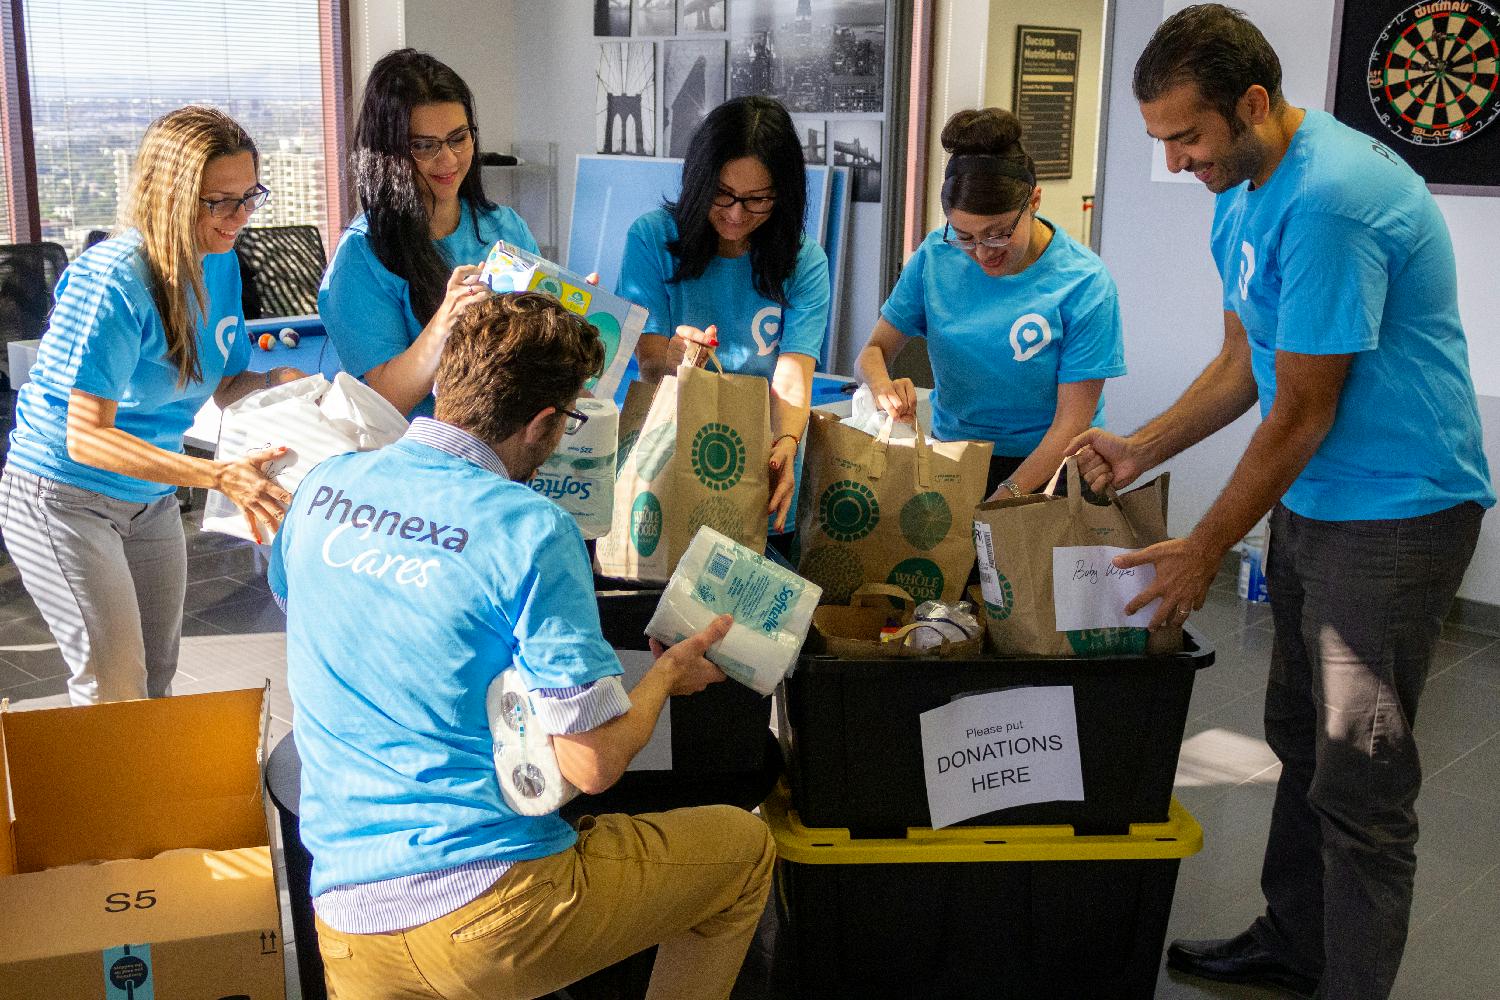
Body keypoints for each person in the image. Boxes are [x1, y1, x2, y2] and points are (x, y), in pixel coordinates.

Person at [1071, 7, 1493, 998]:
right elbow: (1241, 364)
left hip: (1400, 509)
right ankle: (1297, 941)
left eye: (1186, 136)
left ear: (1252, 104)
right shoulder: (1242, 186)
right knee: (1302, 737)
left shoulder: (1334, 199)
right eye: (1159, 139)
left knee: (1362, 782)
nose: (1174, 162)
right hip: (1321, 497)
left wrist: (1203, 547)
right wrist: (1141, 447)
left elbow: (1303, 411)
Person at [270, 291, 775, 1000]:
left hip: (349, 924)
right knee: (745, 852)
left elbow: (328, 617)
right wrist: (663, 678)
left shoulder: (323, 488)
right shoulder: (529, 527)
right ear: (544, 423)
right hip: (493, 911)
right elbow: (592, 764)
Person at [0, 106, 302, 705]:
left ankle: (148, 798)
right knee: (115, 685)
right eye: (220, 201)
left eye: (250, 196)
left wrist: (275, 383)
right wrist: (217, 475)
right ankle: (101, 800)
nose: (240, 218)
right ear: (170, 197)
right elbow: (85, 437)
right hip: (61, 495)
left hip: (147, 497)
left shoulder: (221, 264)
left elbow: (224, 379)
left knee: (157, 679)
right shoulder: (113, 278)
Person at [858, 107, 1125, 500]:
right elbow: (872, 352)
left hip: (1052, 467)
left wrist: (1006, 494)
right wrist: (883, 386)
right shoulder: (935, 256)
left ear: (1034, 200)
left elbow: (1070, 426)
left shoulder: (1084, 284)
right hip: (955, 458)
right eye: (964, 236)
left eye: (998, 234)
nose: (982, 252)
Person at [618, 95, 830, 530]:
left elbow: (792, 378)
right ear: (699, 180)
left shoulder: (803, 260)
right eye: (723, 194)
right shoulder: (652, 239)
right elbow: (651, 362)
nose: (736, 214)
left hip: (762, 466)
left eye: (757, 200)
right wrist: (678, 353)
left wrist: (787, 442)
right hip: (672, 458)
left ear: (783, 194)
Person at [318, 48, 537, 419]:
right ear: (387, 153)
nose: (448, 159)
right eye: (424, 146)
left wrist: (573, 317)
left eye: (458, 138)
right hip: (406, 459)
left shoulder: (504, 226)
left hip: (499, 449)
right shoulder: (361, 255)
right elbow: (384, 401)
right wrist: (446, 321)